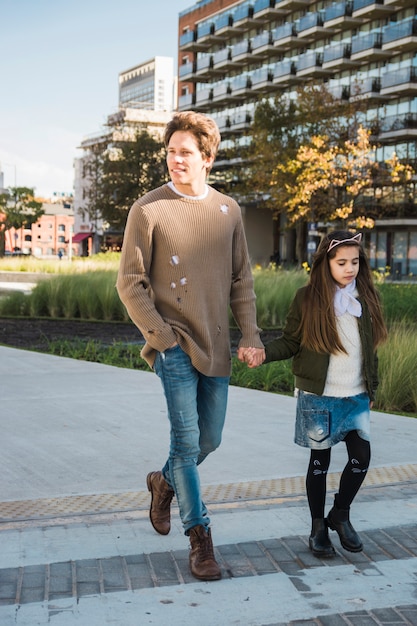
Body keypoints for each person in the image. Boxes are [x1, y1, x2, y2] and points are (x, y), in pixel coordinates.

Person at [116, 111, 265, 580]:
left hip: (216, 344)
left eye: (185, 152)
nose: (175, 160)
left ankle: (162, 482)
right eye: (171, 151)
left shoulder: (228, 211)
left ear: (207, 158)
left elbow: (241, 281)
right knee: (185, 440)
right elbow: (131, 283)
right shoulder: (148, 209)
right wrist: (162, 340)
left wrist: (251, 334)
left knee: (208, 439)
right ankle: (200, 538)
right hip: (173, 344)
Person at [243, 231, 387, 558]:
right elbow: (291, 341)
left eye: (355, 262)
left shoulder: (365, 298)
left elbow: (371, 351)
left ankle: (340, 513)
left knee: (360, 458)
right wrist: (263, 352)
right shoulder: (306, 298)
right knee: (319, 462)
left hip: (355, 397)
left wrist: (372, 389)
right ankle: (317, 527)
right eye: (341, 262)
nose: (349, 268)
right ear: (326, 263)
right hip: (318, 397)